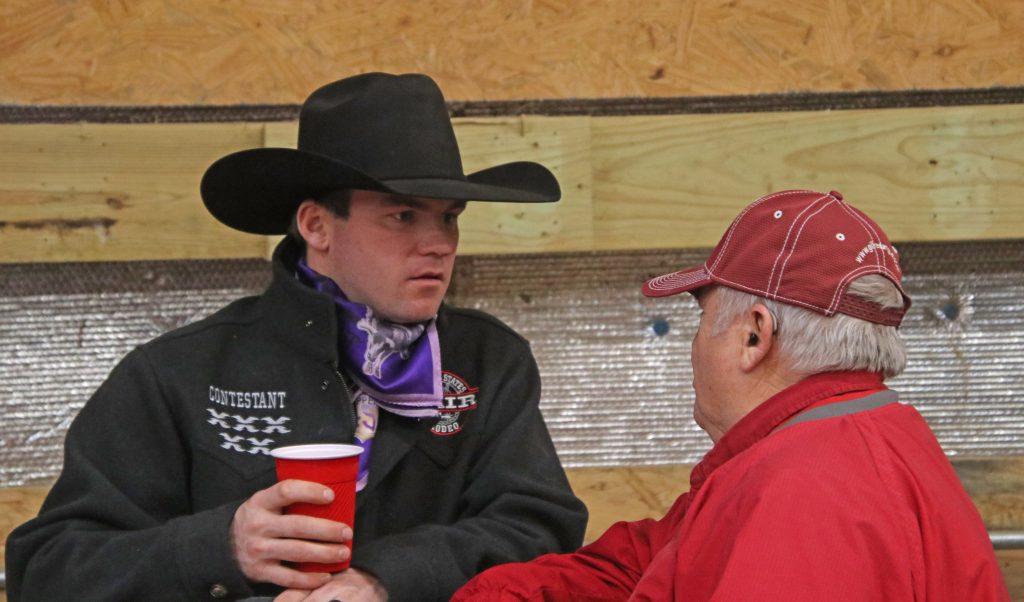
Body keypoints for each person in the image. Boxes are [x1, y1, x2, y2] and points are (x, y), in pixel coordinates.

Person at [6, 73, 587, 602]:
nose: (438, 243)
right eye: (403, 216)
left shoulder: (490, 362)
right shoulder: (178, 372)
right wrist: (222, 549)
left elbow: (541, 530)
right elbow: (49, 568)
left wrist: (385, 580)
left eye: (450, 217)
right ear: (316, 225)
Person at [453, 189, 1010, 601]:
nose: (694, 347)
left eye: (702, 320)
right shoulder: (857, 437)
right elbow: (650, 562)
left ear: (753, 336)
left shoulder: (801, 498)